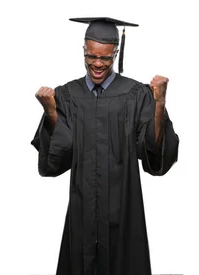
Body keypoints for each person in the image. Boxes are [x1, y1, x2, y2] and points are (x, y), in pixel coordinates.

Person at [31, 17, 179, 275]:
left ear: (116, 53)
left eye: (106, 58)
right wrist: (52, 112)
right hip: (82, 212)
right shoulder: (66, 95)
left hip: (123, 212)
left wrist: (159, 103)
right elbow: (56, 162)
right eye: (91, 56)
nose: (98, 64)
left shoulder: (136, 95)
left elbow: (155, 157)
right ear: (84, 51)